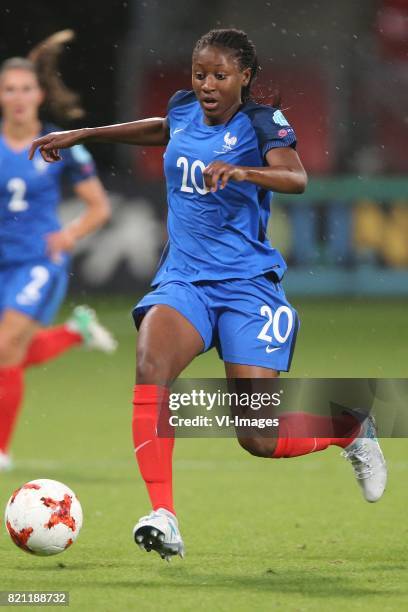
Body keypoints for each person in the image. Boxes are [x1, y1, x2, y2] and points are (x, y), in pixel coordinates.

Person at [30, 28, 387, 562]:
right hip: (185, 281)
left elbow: (297, 178)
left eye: (220, 75)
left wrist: (243, 169)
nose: (207, 85)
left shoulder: (261, 123)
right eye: (200, 74)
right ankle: (164, 516)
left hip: (247, 288)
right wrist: (87, 134)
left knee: (257, 436)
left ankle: (348, 427)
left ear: (245, 76)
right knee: (151, 364)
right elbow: (163, 129)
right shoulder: (182, 110)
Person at [0, 31, 117, 472]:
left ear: (40, 94)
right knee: (8, 353)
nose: (17, 96)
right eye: (9, 88)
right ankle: (74, 333)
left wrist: (69, 235)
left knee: (5, 345)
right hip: (2, 262)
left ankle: (2, 452)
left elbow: (99, 207)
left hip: (38, 261)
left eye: (25, 88)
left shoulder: (58, 143)